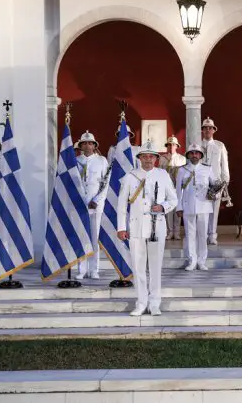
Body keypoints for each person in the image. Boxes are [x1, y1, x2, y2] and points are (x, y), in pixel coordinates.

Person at [117, 140, 178, 316]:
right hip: (136, 228)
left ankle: (154, 303)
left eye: (151, 156)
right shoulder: (130, 176)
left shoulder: (163, 175)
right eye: (144, 156)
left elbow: (173, 199)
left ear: (156, 158)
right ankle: (141, 302)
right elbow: (122, 205)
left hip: (156, 227)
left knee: (155, 267)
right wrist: (121, 227)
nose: (148, 159)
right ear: (139, 158)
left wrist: (163, 207)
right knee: (138, 267)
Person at [176, 143, 217, 271]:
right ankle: (192, 260)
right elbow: (178, 190)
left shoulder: (208, 169)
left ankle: (202, 261)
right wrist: (179, 207)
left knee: (202, 235)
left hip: (204, 205)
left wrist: (215, 193)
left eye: (197, 153)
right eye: (192, 153)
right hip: (188, 206)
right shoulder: (182, 170)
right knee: (190, 234)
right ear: (188, 155)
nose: (194, 155)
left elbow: (215, 185)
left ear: (200, 155)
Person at [76, 131, 109, 280]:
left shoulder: (102, 161)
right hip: (79, 204)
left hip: (95, 204)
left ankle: (94, 269)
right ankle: (81, 269)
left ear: (94, 145)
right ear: (81, 146)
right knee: (81, 236)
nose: (87, 145)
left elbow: (106, 183)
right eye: (84, 143)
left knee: (94, 237)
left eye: (90, 143)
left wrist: (97, 199)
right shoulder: (75, 161)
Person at [201, 118, 230, 246]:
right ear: (202, 130)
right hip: (201, 182)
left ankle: (212, 235)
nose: (208, 130)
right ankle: (202, 235)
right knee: (202, 209)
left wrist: (225, 180)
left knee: (214, 210)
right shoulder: (197, 144)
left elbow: (224, 163)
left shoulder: (220, 145)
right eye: (205, 128)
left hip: (216, 181)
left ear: (214, 130)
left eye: (210, 128)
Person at [159, 135, 186, 241]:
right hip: (167, 188)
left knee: (178, 209)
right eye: (169, 144)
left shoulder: (182, 158)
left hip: (178, 188)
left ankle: (177, 232)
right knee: (169, 210)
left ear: (177, 146)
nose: (171, 146)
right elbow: (160, 173)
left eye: (173, 144)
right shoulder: (162, 158)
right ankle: (170, 232)